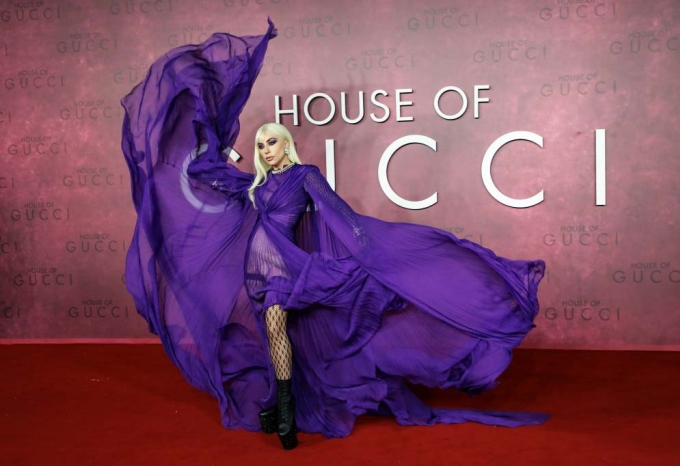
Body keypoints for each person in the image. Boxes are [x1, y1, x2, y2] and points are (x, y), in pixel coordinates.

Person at [121, 20, 548, 451]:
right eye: (261, 145)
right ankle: (279, 401)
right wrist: (202, 122)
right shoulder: (256, 184)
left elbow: (340, 215)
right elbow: (208, 171)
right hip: (255, 266)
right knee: (272, 334)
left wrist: (371, 251)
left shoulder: (305, 176)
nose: (266, 150)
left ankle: (285, 411)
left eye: (272, 143)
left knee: (276, 328)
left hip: (285, 263)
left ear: (285, 145)